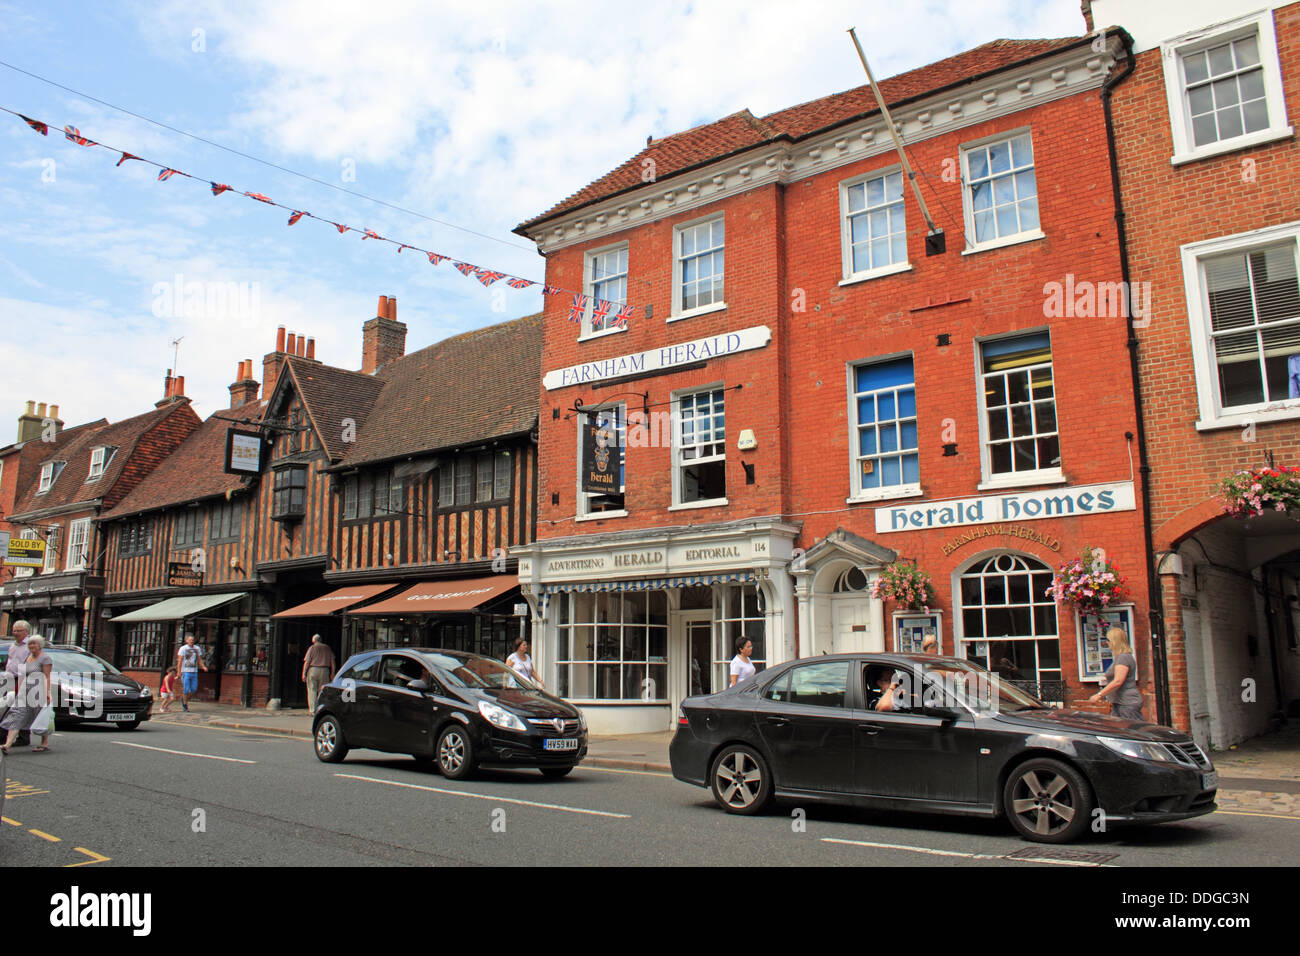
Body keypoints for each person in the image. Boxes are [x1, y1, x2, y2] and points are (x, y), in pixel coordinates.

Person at [2, 635, 53, 753]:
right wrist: (18, 690)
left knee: (39, 716)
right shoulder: (28, 657)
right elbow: (22, 675)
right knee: (17, 715)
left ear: (40, 645)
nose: (31, 646)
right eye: (30, 644)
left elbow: (47, 677)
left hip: (38, 691)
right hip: (25, 691)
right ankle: (7, 745)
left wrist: (47, 693)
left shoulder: (45, 659)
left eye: (34, 644)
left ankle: (44, 742)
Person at [1089, 626, 1143, 720]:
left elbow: (1118, 681)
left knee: (1131, 732)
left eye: (1108, 640)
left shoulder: (1123, 658)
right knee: (1117, 731)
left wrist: (1099, 694)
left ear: (1115, 641)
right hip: (1119, 702)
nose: (1107, 642)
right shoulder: (1121, 657)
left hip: (1127, 703)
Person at [3, 620, 31, 747]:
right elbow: (10, 661)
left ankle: (21, 737)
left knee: (17, 708)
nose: (15, 633)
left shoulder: (30, 645)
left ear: (26, 632)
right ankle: (17, 736)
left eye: (18, 631)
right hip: (10, 679)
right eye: (14, 630)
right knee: (9, 706)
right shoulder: (13, 645)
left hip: (22, 679)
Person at [301, 634, 336, 710]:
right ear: (320, 640)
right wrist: (332, 673)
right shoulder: (327, 648)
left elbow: (307, 662)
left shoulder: (312, 648)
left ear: (313, 640)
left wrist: (304, 673)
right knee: (322, 690)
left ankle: (313, 709)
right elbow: (332, 662)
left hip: (313, 670)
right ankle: (321, 708)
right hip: (325, 670)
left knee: (312, 690)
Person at [176, 633, 207, 712]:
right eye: (190, 640)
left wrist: (203, 666)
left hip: (194, 672)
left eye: (192, 640)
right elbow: (180, 661)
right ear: (186, 641)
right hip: (185, 672)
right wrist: (179, 672)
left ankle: (183, 699)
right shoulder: (183, 649)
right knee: (186, 689)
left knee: (193, 689)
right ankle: (185, 705)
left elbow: (199, 659)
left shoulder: (197, 648)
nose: (191, 641)